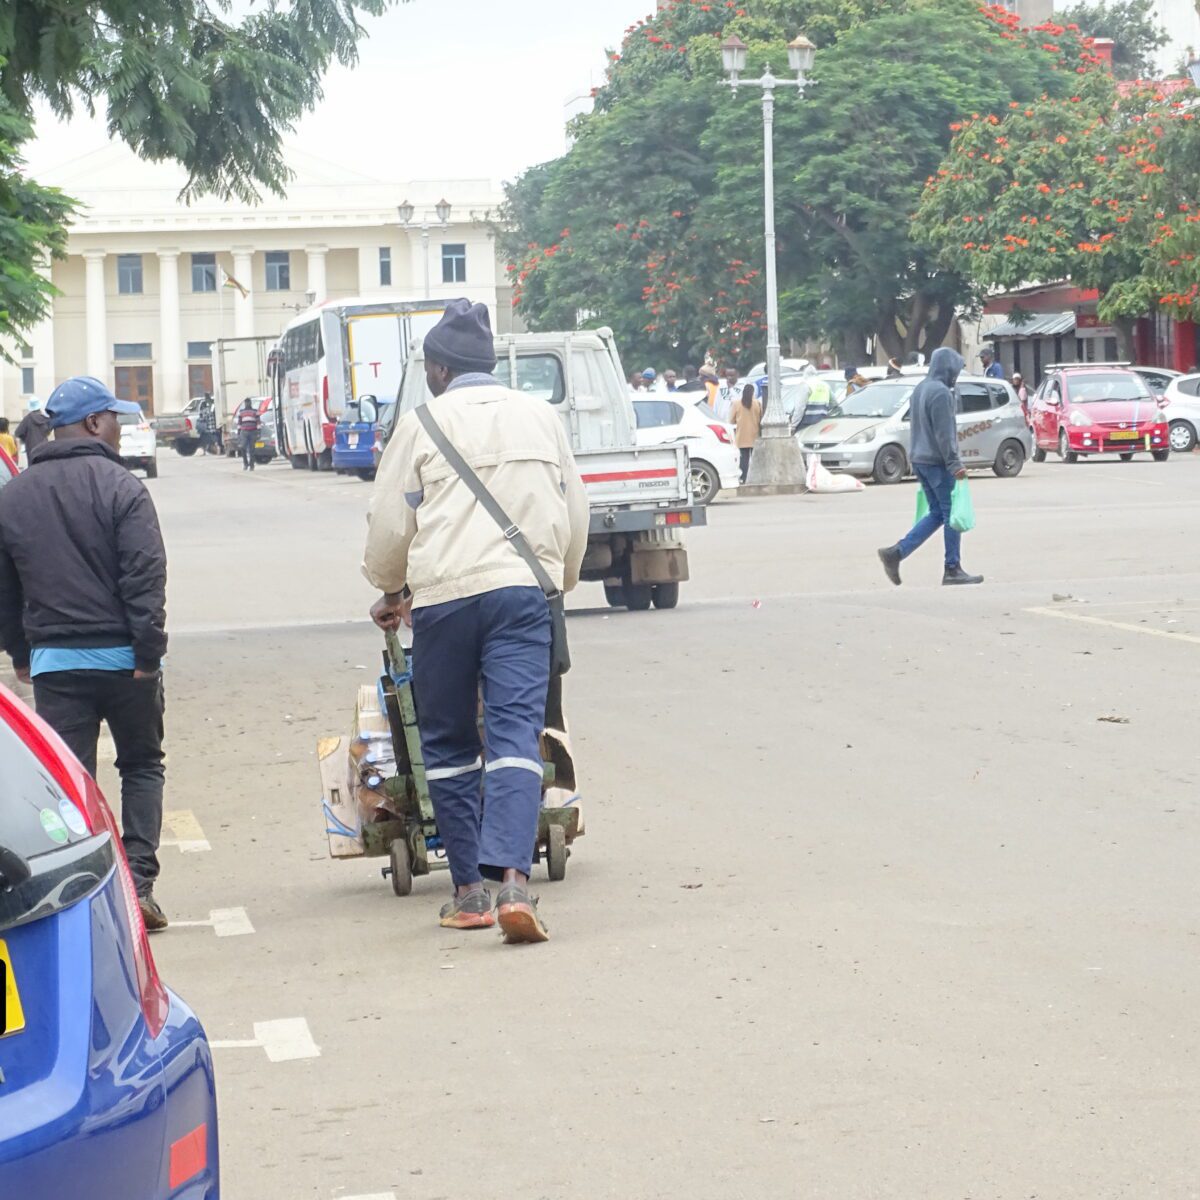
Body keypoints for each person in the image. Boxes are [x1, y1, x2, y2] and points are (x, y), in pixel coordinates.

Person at [364, 299, 588, 944]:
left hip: (445, 599)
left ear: (438, 369)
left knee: (449, 743)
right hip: (524, 597)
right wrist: (559, 581)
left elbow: (389, 523)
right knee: (516, 735)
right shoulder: (541, 417)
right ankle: (517, 883)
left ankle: (468, 893)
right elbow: (574, 509)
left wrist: (387, 587)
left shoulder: (422, 422)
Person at [0, 376, 169, 929]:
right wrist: (148, 653)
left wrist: (20, 653)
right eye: (114, 417)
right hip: (127, 664)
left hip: (55, 666)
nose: (121, 428)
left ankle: (93, 900)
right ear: (94, 423)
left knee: (72, 782)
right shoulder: (123, 489)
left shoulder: (14, 495)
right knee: (141, 765)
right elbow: (145, 577)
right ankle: (138, 885)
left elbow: (6, 589)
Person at [877, 348, 983, 588]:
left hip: (920, 459)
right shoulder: (941, 393)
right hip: (937, 462)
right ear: (947, 369)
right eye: (954, 371)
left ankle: (897, 553)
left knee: (937, 513)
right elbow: (944, 434)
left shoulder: (921, 389)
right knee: (951, 516)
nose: (956, 376)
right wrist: (954, 463)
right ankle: (952, 568)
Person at [731, 383, 762, 483]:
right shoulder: (757, 403)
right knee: (755, 459)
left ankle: (743, 478)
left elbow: (731, 420)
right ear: (753, 392)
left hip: (741, 436)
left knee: (744, 459)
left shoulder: (736, 403)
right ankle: (756, 478)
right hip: (754, 435)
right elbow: (761, 419)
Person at [15, 398, 50, 465]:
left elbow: (18, 433)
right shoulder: (45, 419)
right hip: (44, 447)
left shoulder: (27, 419)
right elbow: (49, 430)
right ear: (39, 407)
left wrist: (24, 439)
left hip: (31, 449)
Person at [236, 398, 262, 471]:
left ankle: (251, 465)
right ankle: (245, 463)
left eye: (249, 402)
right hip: (244, 432)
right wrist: (238, 432)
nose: (248, 404)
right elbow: (239, 423)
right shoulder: (241, 412)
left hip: (253, 432)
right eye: (246, 403)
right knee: (243, 447)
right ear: (245, 403)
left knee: (252, 449)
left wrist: (259, 432)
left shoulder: (255, 411)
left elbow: (258, 422)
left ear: (250, 403)